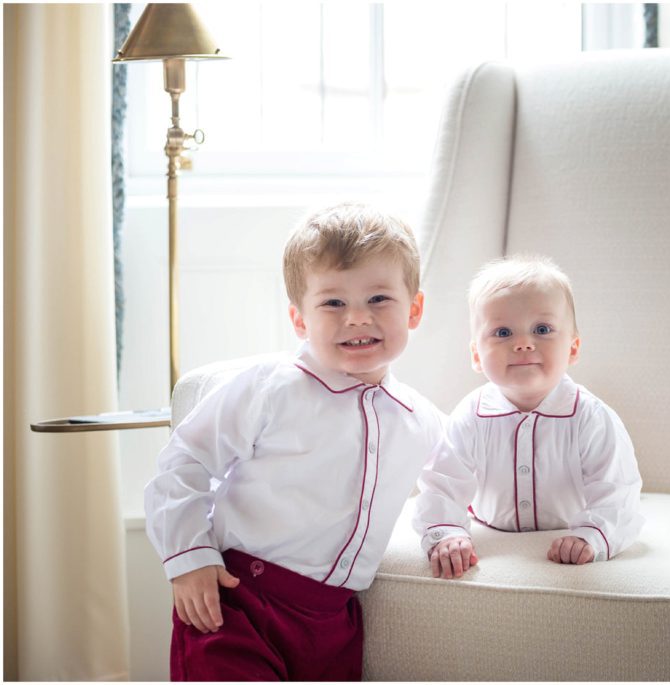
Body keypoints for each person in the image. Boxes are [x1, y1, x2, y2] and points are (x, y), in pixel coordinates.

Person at [144, 203, 445, 681]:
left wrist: (448, 531)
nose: (357, 319)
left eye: (379, 299)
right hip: (237, 600)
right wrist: (188, 558)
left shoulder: (422, 419)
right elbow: (184, 460)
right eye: (333, 303)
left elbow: (456, 478)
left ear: (414, 309)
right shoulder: (272, 386)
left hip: (332, 621)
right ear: (299, 319)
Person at [412, 255, 644, 580]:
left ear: (573, 348)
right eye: (503, 332)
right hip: (490, 526)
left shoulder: (591, 417)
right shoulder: (469, 416)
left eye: (542, 329)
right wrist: (446, 532)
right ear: (477, 355)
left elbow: (617, 492)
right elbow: (442, 485)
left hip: (568, 528)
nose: (522, 343)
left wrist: (592, 535)